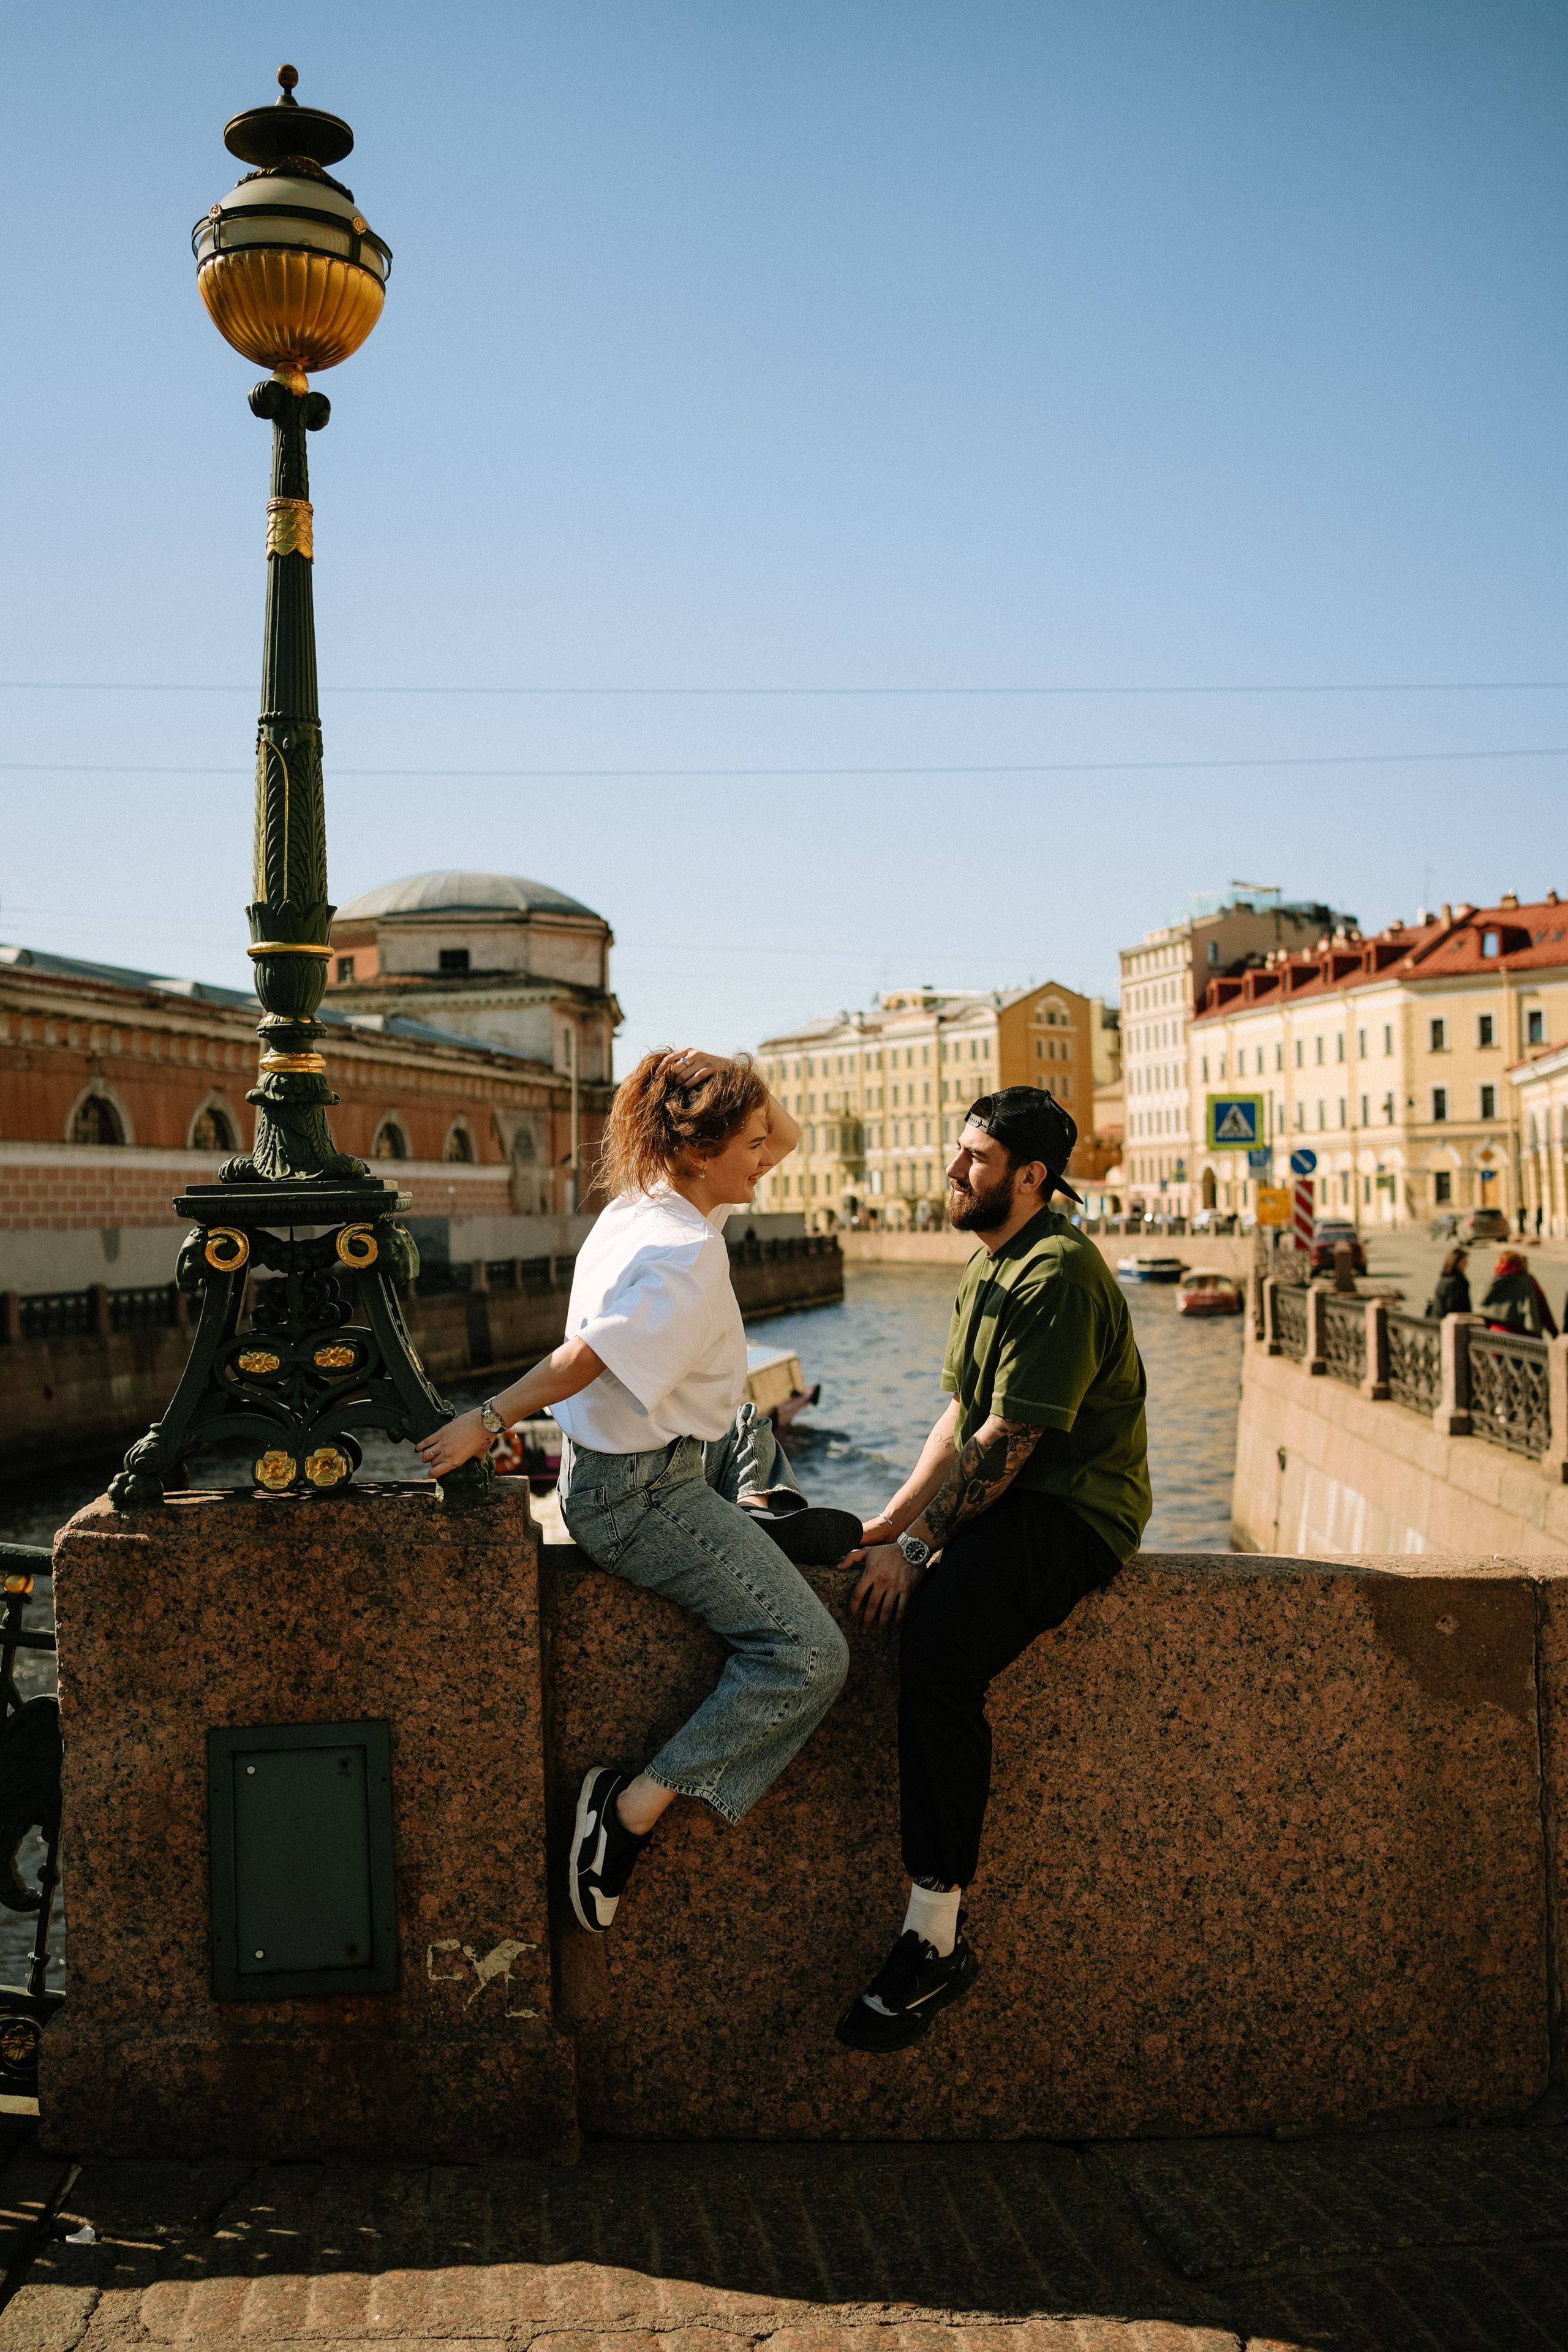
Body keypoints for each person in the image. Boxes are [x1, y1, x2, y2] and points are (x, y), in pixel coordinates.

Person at [417, 1047, 858, 1937]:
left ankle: (761, 1521)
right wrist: (487, 1420)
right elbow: (583, 1358)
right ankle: (629, 1811)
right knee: (811, 1656)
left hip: (669, 1461)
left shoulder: (651, 1204)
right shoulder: (686, 1251)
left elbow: (784, 1134)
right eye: (753, 1143)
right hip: (640, 1497)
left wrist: (726, 1071)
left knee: (763, 1452)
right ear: (704, 1153)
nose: (771, 1156)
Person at [832, 1087, 1151, 2055]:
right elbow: (957, 1422)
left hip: (1074, 1511)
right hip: (1014, 1495)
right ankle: (931, 1930)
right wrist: (886, 1522)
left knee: (938, 1650)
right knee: (904, 1608)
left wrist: (921, 1549)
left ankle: (935, 1934)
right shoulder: (991, 1263)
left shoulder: (1055, 1272)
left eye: (972, 1157)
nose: (952, 1170)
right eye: (955, 1150)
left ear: (1030, 1177)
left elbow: (1012, 1438)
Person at [1479, 1250, 1557, 1337]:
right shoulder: (1529, 1282)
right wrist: (1553, 1331)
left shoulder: (1495, 1282)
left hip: (1497, 1333)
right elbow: (1543, 1307)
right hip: (1524, 1335)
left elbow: (1483, 1306)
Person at [1428, 1248, 1471, 1319]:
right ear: (1457, 1263)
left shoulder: (1444, 1278)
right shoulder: (1455, 1282)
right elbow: (1453, 1306)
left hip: (1439, 1319)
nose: (1466, 1264)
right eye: (1464, 1262)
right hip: (1451, 1322)